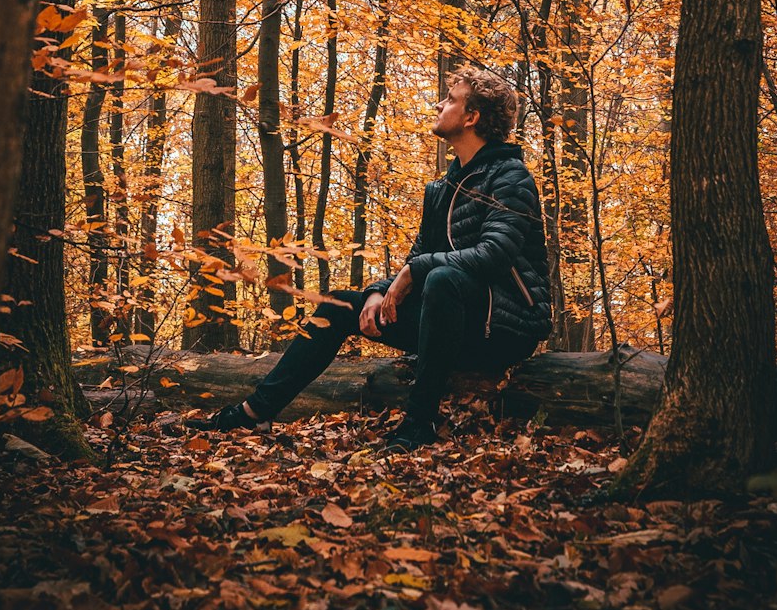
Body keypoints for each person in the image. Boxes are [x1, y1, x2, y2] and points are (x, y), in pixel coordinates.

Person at [195, 66, 552, 452]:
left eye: (450, 99)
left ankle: (419, 423)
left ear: (472, 117)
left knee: (441, 278)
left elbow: (493, 255)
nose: (439, 103)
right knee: (336, 305)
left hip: (505, 327)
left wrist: (415, 272)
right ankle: (255, 411)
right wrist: (377, 292)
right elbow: (415, 258)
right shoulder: (443, 187)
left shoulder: (511, 176)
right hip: (450, 321)